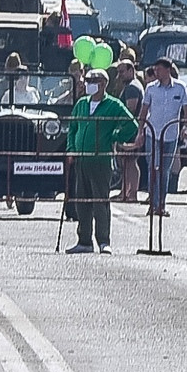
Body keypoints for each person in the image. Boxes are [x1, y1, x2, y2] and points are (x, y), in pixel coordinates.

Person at [63, 68, 137, 254]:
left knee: (100, 201)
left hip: (101, 160)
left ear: (103, 84)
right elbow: (72, 129)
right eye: (87, 80)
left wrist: (115, 136)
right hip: (82, 159)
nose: (87, 83)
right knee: (82, 200)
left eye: (92, 80)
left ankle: (103, 240)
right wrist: (71, 150)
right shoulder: (81, 104)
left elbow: (131, 124)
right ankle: (84, 240)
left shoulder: (113, 105)